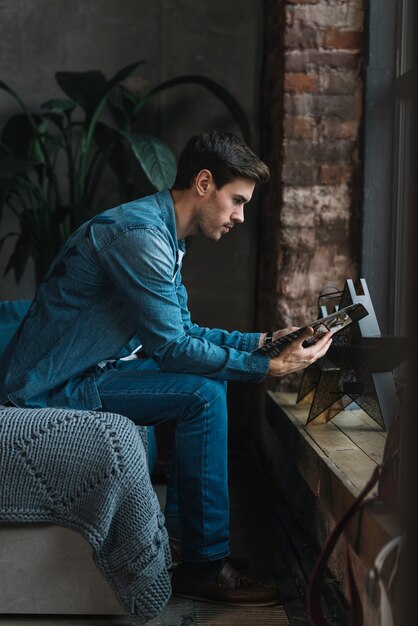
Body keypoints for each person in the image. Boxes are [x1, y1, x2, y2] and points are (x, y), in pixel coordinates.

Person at [0, 131, 332, 606]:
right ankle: (202, 563)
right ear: (203, 183)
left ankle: (191, 548)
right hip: (48, 390)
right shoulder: (138, 235)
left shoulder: (162, 235)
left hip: (90, 373)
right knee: (202, 393)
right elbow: (173, 348)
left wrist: (264, 343)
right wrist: (266, 369)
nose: (240, 216)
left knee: (204, 390)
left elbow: (185, 331)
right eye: (236, 201)